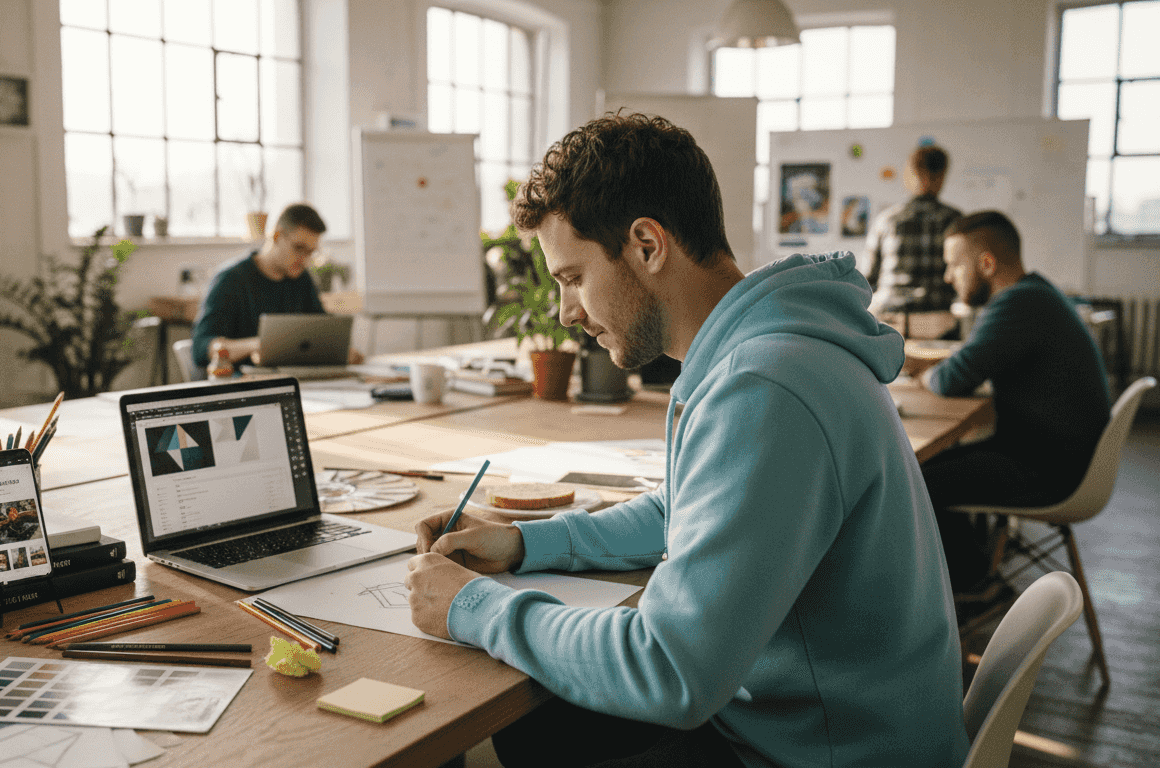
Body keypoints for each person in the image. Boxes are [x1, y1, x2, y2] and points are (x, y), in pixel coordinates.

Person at [403, 113, 968, 768]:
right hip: (819, 726)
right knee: (540, 732)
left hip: (824, 754)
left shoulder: (765, 385)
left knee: (522, 735)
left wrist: (471, 608)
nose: (567, 312)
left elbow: (670, 669)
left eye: (573, 277)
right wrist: (526, 542)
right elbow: (684, 509)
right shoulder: (765, 348)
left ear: (647, 245)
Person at [906, 211, 1110, 594]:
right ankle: (976, 574)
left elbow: (953, 379)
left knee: (912, 481)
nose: (949, 277)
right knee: (922, 467)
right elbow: (975, 359)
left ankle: (975, 590)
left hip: (1050, 471)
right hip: (1058, 455)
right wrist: (936, 364)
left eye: (954, 265)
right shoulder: (1035, 294)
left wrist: (921, 373)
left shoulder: (1017, 304)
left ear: (986, 263)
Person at [190, 202, 332, 369]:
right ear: (277, 236)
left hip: (292, 381)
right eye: (299, 248)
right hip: (242, 384)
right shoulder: (231, 279)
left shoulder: (302, 279)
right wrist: (256, 345)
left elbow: (324, 331)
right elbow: (200, 348)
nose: (304, 259)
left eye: (310, 252)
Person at [866, 145, 962, 319]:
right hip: (937, 317)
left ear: (911, 173)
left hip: (889, 316)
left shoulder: (887, 220)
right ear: (942, 176)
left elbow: (868, 277)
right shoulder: (956, 221)